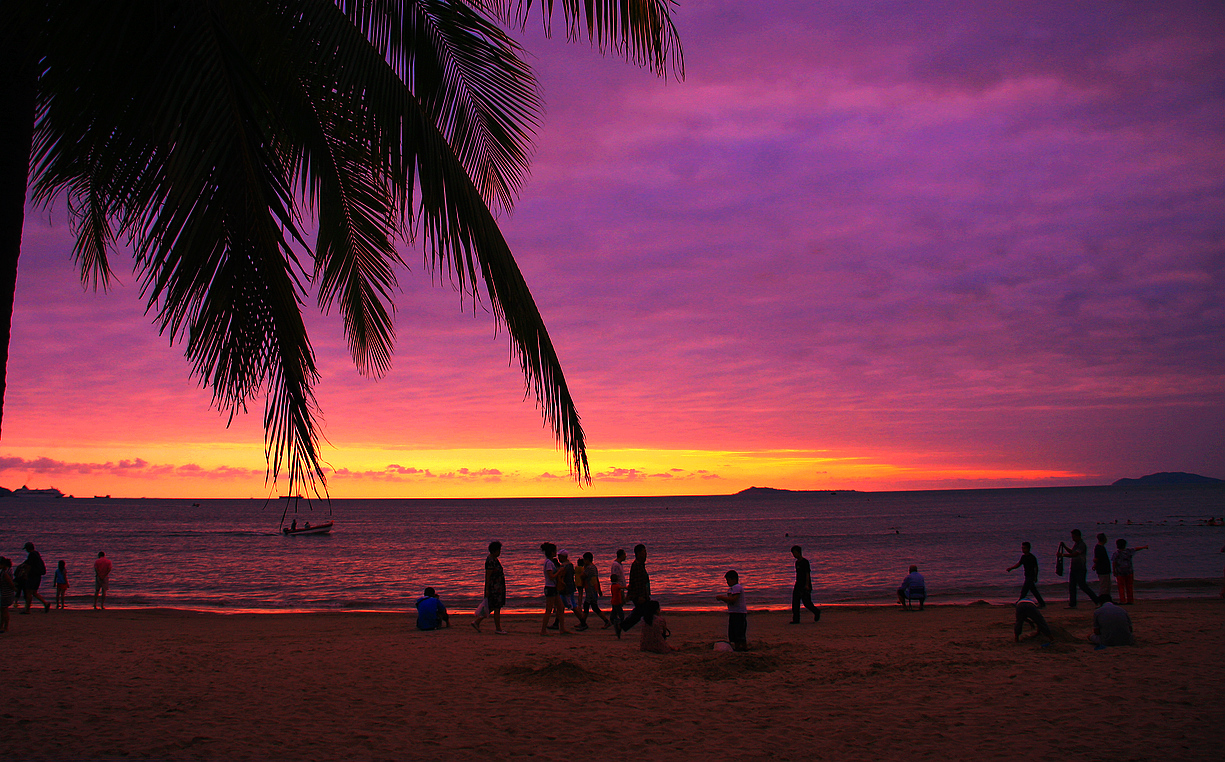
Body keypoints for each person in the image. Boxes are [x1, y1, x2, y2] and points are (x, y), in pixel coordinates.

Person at [615, 544, 651, 638]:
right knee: (641, 613)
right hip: (639, 595)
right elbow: (637, 582)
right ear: (638, 553)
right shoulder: (637, 565)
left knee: (641, 613)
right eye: (644, 552)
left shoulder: (640, 565)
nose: (645, 554)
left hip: (641, 594)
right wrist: (640, 596)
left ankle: (621, 626)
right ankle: (621, 626)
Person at [1057, 529, 1099, 608]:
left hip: (1080, 568)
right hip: (1074, 568)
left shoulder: (1082, 545)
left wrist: (1062, 555)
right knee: (1072, 586)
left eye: (1073, 537)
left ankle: (1097, 601)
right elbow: (1072, 552)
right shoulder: (1076, 544)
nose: (1072, 538)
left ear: (1078, 536)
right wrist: (1065, 546)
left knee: (1083, 586)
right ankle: (1072, 604)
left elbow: (1075, 554)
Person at [472, 541, 507, 634]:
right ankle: (498, 628)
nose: (500, 552)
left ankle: (477, 622)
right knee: (496, 608)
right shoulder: (490, 561)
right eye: (499, 550)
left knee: (491, 607)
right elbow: (488, 576)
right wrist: (486, 589)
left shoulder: (494, 559)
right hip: (494, 588)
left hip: (498, 587)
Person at [716, 570, 748, 651]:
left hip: (739, 613)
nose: (727, 582)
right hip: (733, 612)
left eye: (728, 580)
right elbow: (730, 600)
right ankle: (737, 646)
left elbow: (733, 599)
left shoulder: (737, 587)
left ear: (733, 579)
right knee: (734, 631)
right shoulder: (731, 589)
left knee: (739, 630)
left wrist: (721, 598)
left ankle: (743, 647)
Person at [540, 542, 568, 635]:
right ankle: (543, 630)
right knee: (549, 609)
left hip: (554, 588)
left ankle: (562, 629)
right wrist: (559, 571)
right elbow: (551, 576)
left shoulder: (551, 562)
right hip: (550, 587)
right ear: (552, 552)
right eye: (554, 551)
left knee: (561, 607)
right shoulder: (548, 563)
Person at [1006, 542, 1045, 607]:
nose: (1023, 550)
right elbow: (1019, 564)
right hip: (1027, 575)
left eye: (1024, 548)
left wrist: (1035, 577)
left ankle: (1019, 602)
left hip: (1031, 576)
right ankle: (1042, 603)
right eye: (1022, 548)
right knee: (1033, 590)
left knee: (1024, 591)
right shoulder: (1023, 557)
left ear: (1028, 548)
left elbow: (1036, 567)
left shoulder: (1032, 557)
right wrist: (1011, 568)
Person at [579, 551, 611, 630]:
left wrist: (583, 569)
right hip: (592, 589)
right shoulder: (594, 567)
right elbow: (596, 579)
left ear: (587, 560)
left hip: (591, 590)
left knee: (590, 606)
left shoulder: (589, 568)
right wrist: (599, 590)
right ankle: (583, 622)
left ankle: (606, 621)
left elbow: (582, 576)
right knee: (591, 606)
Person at [789, 546, 821, 623]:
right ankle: (796, 620)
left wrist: (807, 585)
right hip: (798, 584)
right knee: (795, 602)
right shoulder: (796, 563)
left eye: (794, 553)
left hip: (805, 584)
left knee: (807, 603)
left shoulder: (805, 562)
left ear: (798, 552)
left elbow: (807, 574)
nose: (794, 555)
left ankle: (816, 612)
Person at [1112, 539, 1149, 605]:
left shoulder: (1116, 553)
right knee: (1129, 586)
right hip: (1129, 571)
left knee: (1121, 587)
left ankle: (1122, 600)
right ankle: (1130, 600)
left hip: (1120, 572)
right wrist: (1144, 547)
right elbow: (1136, 549)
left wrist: (1114, 570)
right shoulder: (1128, 551)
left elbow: (1114, 563)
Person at [550, 550, 580, 629]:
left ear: (563, 557)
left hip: (566, 589)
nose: (559, 558)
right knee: (561, 606)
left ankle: (583, 622)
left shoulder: (565, 566)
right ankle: (556, 623)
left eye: (559, 556)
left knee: (572, 606)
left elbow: (561, 576)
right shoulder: (569, 565)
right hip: (567, 588)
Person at [21, 542, 49, 613]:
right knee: (34, 592)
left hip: (33, 576)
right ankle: (45, 603)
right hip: (38, 576)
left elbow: (29, 566)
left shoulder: (31, 555)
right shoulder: (37, 554)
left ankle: (27, 609)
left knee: (28, 592)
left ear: (28, 548)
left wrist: (25, 574)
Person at [1093, 533, 1112, 599]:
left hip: (1103, 569)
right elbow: (1097, 558)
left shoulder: (1100, 547)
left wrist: (1095, 564)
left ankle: (1106, 598)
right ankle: (1102, 599)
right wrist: (1095, 563)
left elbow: (1097, 558)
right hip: (1103, 569)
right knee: (1104, 585)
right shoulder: (1099, 548)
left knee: (1106, 585)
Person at [0, 557, 15, 633]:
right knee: (3, 610)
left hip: (5, 594)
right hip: (7, 593)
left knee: (4, 610)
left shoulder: (4, 573)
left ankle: (5, 626)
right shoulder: (9, 570)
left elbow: (10, 584)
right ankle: (2, 626)